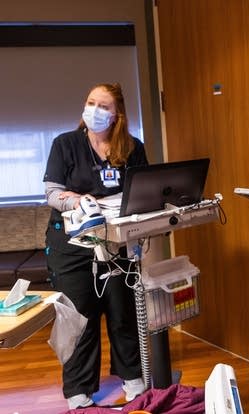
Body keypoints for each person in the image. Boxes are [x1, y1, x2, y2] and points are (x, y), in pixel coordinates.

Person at [44, 83, 149, 409]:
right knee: (79, 317)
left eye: (104, 106)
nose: (95, 110)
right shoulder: (66, 144)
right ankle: (78, 389)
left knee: (123, 313)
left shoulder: (132, 147)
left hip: (117, 243)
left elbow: (144, 191)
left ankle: (132, 378)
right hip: (72, 244)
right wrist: (78, 200)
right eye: (91, 102)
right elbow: (52, 193)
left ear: (117, 115)